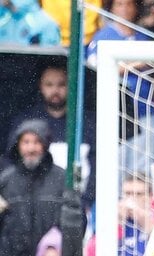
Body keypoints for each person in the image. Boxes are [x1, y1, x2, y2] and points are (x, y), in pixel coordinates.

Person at [9, 64, 97, 208]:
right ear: (41, 87)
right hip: (33, 204)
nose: (55, 90)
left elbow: (97, 165)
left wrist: (86, 202)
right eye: (49, 85)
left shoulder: (88, 122)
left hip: (79, 204)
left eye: (61, 84)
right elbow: (12, 163)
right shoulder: (26, 121)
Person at [0, 119, 64, 256]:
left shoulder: (60, 179)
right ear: (18, 145)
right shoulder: (5, 181)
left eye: (36, 142)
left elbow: (75, 225)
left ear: (45, 145)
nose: (31, 148)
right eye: (26, 142)